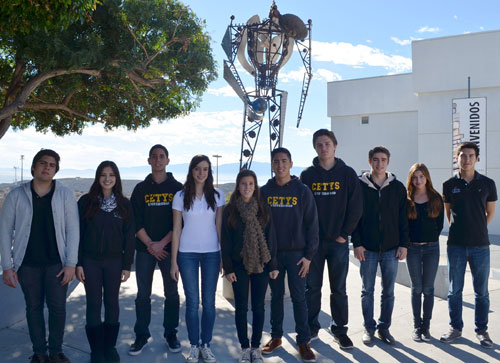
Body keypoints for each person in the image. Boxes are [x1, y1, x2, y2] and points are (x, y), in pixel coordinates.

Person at [0, 149, 79, 363]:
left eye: (52, 165)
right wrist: (7, 266)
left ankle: (56, 351)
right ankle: (39, 353)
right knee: (33, 309)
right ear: (34, 166)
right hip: (27, 265)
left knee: (58, 308)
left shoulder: (65, 195)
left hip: (57, 264)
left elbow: (73, 230)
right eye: (43, 163)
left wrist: (71, 263)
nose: (47, 167)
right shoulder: (17, 195)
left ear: (56, 170)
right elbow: (5, 231)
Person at [300, 129, 362, 349]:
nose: (323, 148)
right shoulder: (307, 176)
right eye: (319, 144)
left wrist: (344, 234)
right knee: (312, 288)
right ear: (315, 148)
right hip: (313, 245)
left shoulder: (347, 174)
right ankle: (311, 328)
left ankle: (339, 330)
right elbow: (301, 211)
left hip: (338, 243)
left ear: (335, 146)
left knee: (339, 289)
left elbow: (356, 207)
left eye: (327, 144)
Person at [260, 147, 319, 363]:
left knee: (299, 298)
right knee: (275, 298)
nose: (280, 165)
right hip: (273, 256)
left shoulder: (302, 191)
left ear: (291, 164)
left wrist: (309, 256)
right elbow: (260, 226)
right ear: (272, 165)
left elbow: (313, 225)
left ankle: (303, 341)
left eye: (284, 161)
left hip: (297, 255)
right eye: (276, 161)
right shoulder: (264, 192)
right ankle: (276, 337)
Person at [76, 161, 135, 362]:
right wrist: (78, 263)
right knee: (93, 304)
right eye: (103, 174)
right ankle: (96, 350)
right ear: (97, 177)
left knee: (112, 303)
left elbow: (129, 237)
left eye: (111, 175)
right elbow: (78, 235)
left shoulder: (124, 204)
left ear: (116, 178)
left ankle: (109, 348)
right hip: (90, 261)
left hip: (114, 262)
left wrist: (127, 265)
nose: (107, 178)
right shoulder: (86, 202)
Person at [440, 142, 497, 348]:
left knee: (481, 291)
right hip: (455, 245)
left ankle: (482, 331)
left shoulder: (488, 183)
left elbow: (490, 213)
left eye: (470, 156)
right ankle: (455, 328)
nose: (466, 159)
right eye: (462, 155)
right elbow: (448, 213)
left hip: (480, 245)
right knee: (455, 290)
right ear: (457, 158)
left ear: (477, 159)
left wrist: (477, 228)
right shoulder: (448, 184)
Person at [352, 146, 409, 346]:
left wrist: (404, 244)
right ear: (370, 162)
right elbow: (354, 218)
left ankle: (384, 328)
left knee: (388, 291)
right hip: (367, 249)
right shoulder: (359, 186)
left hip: (392, 249)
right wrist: (357, 244)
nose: (379, 163)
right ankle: (369, 328)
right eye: (375, 160)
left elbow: (403, 219)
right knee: (367, 291)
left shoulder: (398, 187)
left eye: (383, 160)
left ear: (388, 162)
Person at [129, 145, 183, 356]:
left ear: (168, 161)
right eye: (154, 157)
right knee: (143, 294)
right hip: (144, 250)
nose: (158, 160)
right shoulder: (141, 189)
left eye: (162, 157)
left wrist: (162, 243)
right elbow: (135, 220)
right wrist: (151, 244)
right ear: (149, 160)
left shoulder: (177, 188)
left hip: (170, 250)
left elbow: (179, 222)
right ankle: (141, 335)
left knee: (171, 293)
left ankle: (171, 334)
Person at [170, 155, 225, 363]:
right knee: (192, 302)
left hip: (212, 254)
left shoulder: (218, 196)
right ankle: (194, 345)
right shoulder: (180, 196)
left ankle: (206, 345)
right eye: (197, 169)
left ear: (209, 171)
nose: (201, 173)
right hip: (186, 254)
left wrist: (222, 256)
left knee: (209, 303)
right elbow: (176, 230)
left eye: (205, 169)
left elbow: (219, 228)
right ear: (191, 171)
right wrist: (173, 261)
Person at [221, 169, 279, 363]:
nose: (247, 187)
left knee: (259, 307)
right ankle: (244, 347)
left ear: (256, 187)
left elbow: (271, 238)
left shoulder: (263, 208)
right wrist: (228, 269)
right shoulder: (231, 210)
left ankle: (256, 347)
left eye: (251, 184)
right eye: (244, 184)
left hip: (261, 265)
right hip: (238, 266)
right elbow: (226, 242)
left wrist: (273, 265)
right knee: (241, 309)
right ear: (238, 186)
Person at [405, 163, 444, 342]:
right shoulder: (407, 198)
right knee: (416, 289)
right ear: (411, 179)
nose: (418, 180)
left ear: (426, 177)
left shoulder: (436, 197)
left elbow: (440, 225)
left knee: (428, 289)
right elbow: (403, 225)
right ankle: (416, 326)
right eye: (415, 177)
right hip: (412, 248)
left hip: (431, 249)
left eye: (421, 176)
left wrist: (429, 238)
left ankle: (425, 327)